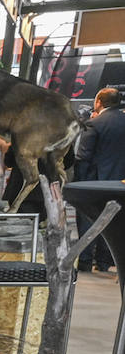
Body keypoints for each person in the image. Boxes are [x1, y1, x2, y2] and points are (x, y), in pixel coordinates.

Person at [75, 87, 125, 273]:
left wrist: (78, 182)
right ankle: (104, 262)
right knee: (113, 222)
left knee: (89, 220)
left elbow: (83, 156)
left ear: (98, 103)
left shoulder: (95, 124)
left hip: (94, 182)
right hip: (120, 183)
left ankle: (85, 261)